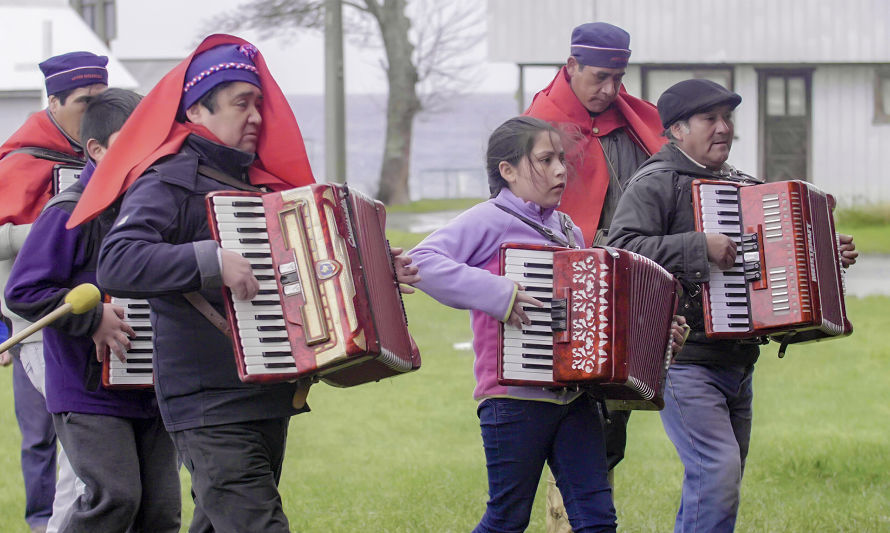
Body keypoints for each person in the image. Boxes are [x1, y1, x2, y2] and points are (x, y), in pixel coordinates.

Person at [77, 34, 418, 532]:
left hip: (267, 389)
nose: (257, 116)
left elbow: (306, 268)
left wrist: (375, 268)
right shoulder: (169, 179)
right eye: (242, 103)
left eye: (259, 103)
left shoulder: (261, 187)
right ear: (196, 111)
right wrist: (210, 260)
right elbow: (119, 261)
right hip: (205, 400)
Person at [606, 78, 858, 532]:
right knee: (717, 472)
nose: (724, 128)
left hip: (739, 358)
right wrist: (698, 245)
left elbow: (778, 246)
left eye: (728, 118)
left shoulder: (740, 183)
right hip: (685, 358)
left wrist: (824, 250)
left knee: (720, 476)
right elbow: (621, 250)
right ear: (677, 130)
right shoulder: (655, 182)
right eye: (710, 119)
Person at [410, 116, 618, 532]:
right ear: (507, 170)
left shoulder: (569, 230)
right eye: (545, 160)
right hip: (512, 400)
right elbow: (421, 263)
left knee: (598, 521)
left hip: (574, 397)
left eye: (561, 159)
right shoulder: (488, 219)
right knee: (508, 519)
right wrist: (497, 294)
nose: (561, 170)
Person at [5, 87, 181, 533]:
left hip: (152, 384)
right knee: (114, 497)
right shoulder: (66, 212)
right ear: (96, 150)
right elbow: (23, 290)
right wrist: (92, 317)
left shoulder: (156, 206)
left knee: (160, 512)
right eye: (132, 140)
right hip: (85, 388)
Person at [523, 22, 666, 526]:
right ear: (571, 66)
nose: (610, 89)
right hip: (568, 292)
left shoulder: (636, 123)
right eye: (600, 77)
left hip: (630, 289)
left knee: (612, 425)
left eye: (618, 78)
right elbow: (518, 220)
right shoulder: (534, 129)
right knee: (573, 428)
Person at [0, 51, 107, 533]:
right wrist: (61, 227)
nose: (95, 113)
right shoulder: (19, 161)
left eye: (102, 101)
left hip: (93, 320)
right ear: (55, 101)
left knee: (85, 442)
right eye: (85, 101)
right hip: (31, 322)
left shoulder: (106, 156)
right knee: (44, 438)